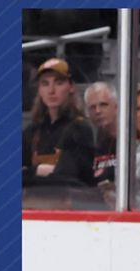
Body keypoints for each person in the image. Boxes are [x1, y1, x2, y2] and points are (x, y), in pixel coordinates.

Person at [22, 58, 95, 193]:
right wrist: (39, 170)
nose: (51, 90)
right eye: (45, 83)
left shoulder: (80, 129)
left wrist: (29, 173)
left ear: (71, 87)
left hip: (71, 202)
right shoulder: (32, 132)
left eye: (59, 82)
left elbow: (70, 177)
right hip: (33, 203)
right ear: (39, 90)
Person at [84, 82, 118, 190]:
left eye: (103, 105)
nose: (97, 111)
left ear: (116, 107)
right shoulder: (88, 142)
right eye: (92, 107)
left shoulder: (130, 140)